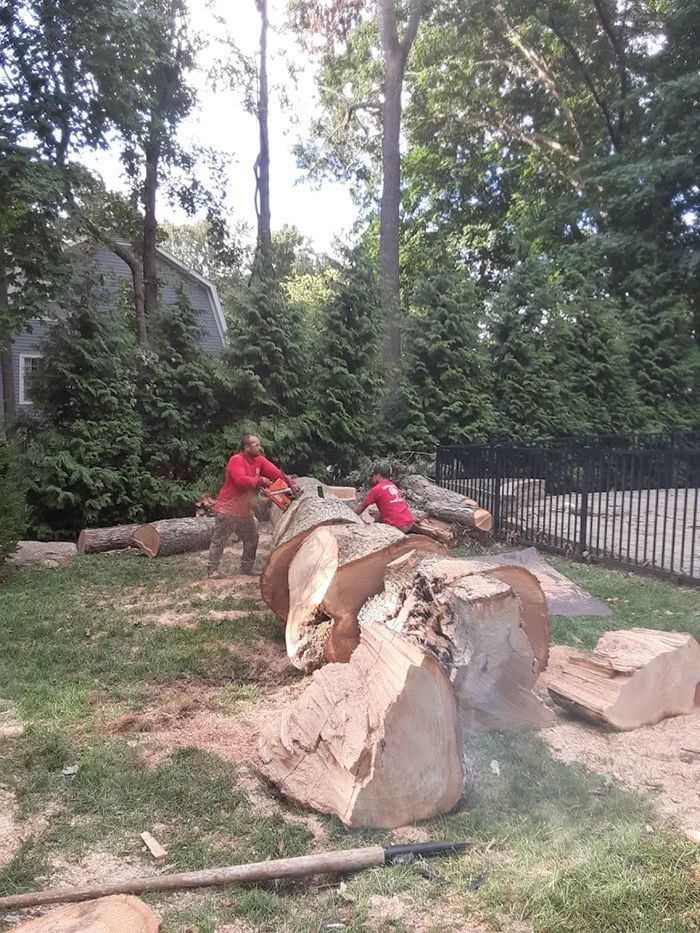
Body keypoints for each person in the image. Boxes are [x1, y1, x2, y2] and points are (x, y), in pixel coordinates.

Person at [207, 434, 298, 578]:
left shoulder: (259, 461)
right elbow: (240, 481)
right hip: (228, 509)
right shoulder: (236, 460)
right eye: (256, 445)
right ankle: (212, 570)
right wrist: (259, 480)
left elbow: (276, 473)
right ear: (246, 447)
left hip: (244, 510)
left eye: (259, 444)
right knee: (219, 540)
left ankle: (246, 568)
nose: (259, 447)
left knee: (252, 538)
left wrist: (292, 485)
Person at [355, 462, 415, 532]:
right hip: (409, 522)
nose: (372, 478)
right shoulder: (393, 486)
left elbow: (362, 506)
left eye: (373, 476)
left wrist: (352, 516)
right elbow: (387, 509)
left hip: (398, 526)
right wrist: (376, 522)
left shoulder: (377, 489)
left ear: (378, 476)